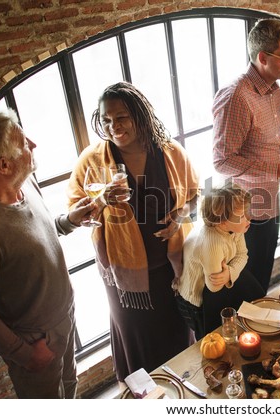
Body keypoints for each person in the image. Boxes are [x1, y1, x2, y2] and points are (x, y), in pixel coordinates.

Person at [67, 82, 200, 382]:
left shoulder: (169, 151)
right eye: (106, 120)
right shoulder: (91, 160)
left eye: (121, 117)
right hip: (126, 280)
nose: (114, 126)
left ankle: (181, 393)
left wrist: (179, 216)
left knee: (176, 336)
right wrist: (101, 200)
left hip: (172, 269)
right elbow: (75, 214)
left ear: (140, 115)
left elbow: (195, 194)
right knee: (137, 343)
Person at [0, 108, 95, 398]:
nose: (33, 144)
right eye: (24, 142)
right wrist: (25, 354)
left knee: (70, 389)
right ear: (4, 165)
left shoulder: (24, 182)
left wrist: (69, 221)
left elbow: (33, 239)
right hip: (35, 343)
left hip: (64, 319)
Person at [212, 18, 280, 292]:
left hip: (268, 203)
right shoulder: (236, 97)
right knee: (247, 286)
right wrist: (278, 170)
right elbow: (222, 160)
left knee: (263, 277)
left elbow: (265, 145)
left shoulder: (274, 90)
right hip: (243, 215)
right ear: (263, 57)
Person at [176, 185, 265, 339]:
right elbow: (214, 286)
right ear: (222, 222)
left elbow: (243, 254)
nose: (248, 218)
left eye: (246, 212)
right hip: (196, 302)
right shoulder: (212, 244)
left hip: (216, 290)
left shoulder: (235, 228)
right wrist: (230, 272)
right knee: (211, 339)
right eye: (242, 215)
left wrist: (229, 272)